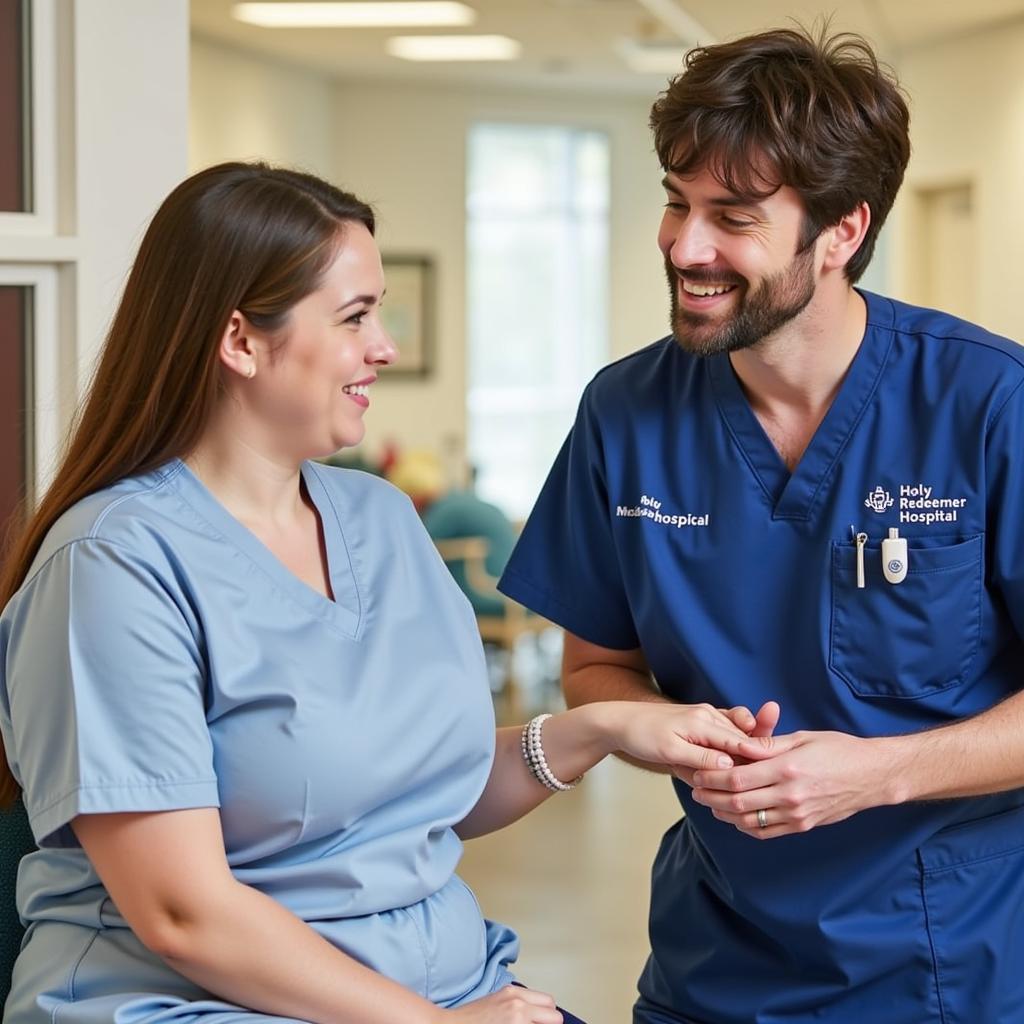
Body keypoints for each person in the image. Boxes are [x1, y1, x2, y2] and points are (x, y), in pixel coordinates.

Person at [0, 162, 774, 1024]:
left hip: (447, 992)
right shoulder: (113, 567)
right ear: (241, 341)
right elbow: (183, 916)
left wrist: (602, 728)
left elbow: (414, 793)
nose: (386, 347)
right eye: (356, 317)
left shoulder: (378, 518)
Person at [498, 26, 1024, 1024]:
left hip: (954, 972)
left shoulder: (988, 404)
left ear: (839, 232)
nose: (683, 246)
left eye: (731, 217)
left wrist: (876, 774)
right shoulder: (625, 414)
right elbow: (594, 663)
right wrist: (653, 726)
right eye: (675, 202)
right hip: (715, 967)